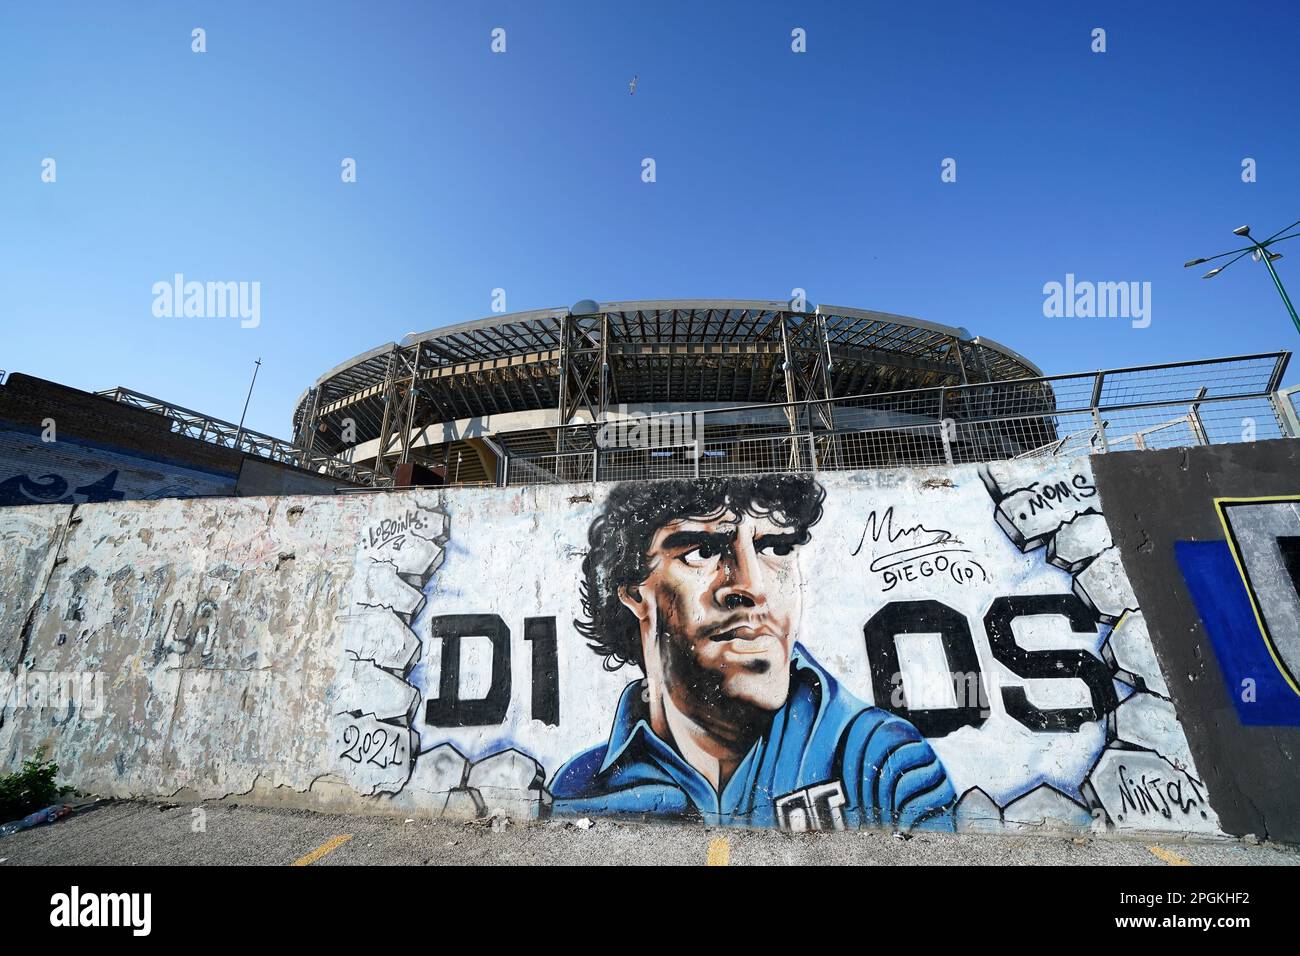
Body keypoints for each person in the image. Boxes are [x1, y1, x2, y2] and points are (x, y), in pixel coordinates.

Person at [550, 474, 956, 831]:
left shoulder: (883, 764)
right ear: (634, 590)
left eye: (777, 548)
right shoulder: (580, 786)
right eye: (702, 552)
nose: (753, 585)